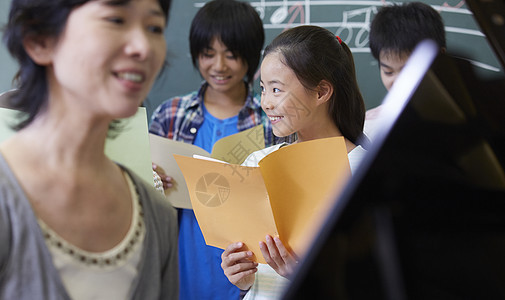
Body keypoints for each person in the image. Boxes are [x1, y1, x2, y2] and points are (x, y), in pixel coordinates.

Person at [0, 0, 178, 299]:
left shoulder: (157, 215)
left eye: (154, 27)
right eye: (116, 20)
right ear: (40, 40)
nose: (143, 47)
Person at [149, 0, 292, 299]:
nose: (219, 66)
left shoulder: (272, 119)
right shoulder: (170, 114)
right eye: (208, 54)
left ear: (251, 57)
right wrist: (151, 183)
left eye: (231, 55)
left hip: (252, 270)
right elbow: (141, 201)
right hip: (183, 261)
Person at [220, 25, 368, 300]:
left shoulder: (363, 170)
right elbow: (255, 279)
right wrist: (242, 278)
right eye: (263, 89)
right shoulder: (258, 162)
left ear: (321, 92)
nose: (265, 102)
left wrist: (311, 275)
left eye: (277, 90)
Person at [364, 1, 446, 140]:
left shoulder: (468, 118)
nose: (398, 83)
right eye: (388, 72)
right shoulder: (368, 126)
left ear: (441, 59)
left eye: (408, 72)